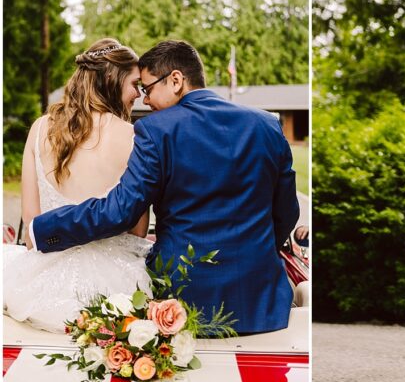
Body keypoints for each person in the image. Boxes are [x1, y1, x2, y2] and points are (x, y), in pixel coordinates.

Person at [29, 40, 300, 334]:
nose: (145, 100)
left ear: (175, 80)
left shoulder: (156, 131)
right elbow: (287, 211)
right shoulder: (267, 125)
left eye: (147, 88)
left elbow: (120, 211)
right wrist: (254, 250)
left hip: (181, 307)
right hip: (262, 303)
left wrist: (42, 229)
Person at [4, 38, 152, 333]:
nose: (138, 93)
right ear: (113, 78)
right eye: (135, 83)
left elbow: (31, 227)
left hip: (40, 284)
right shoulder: (134, 136)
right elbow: (138, 230)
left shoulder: (39, 129)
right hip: (117, 284)